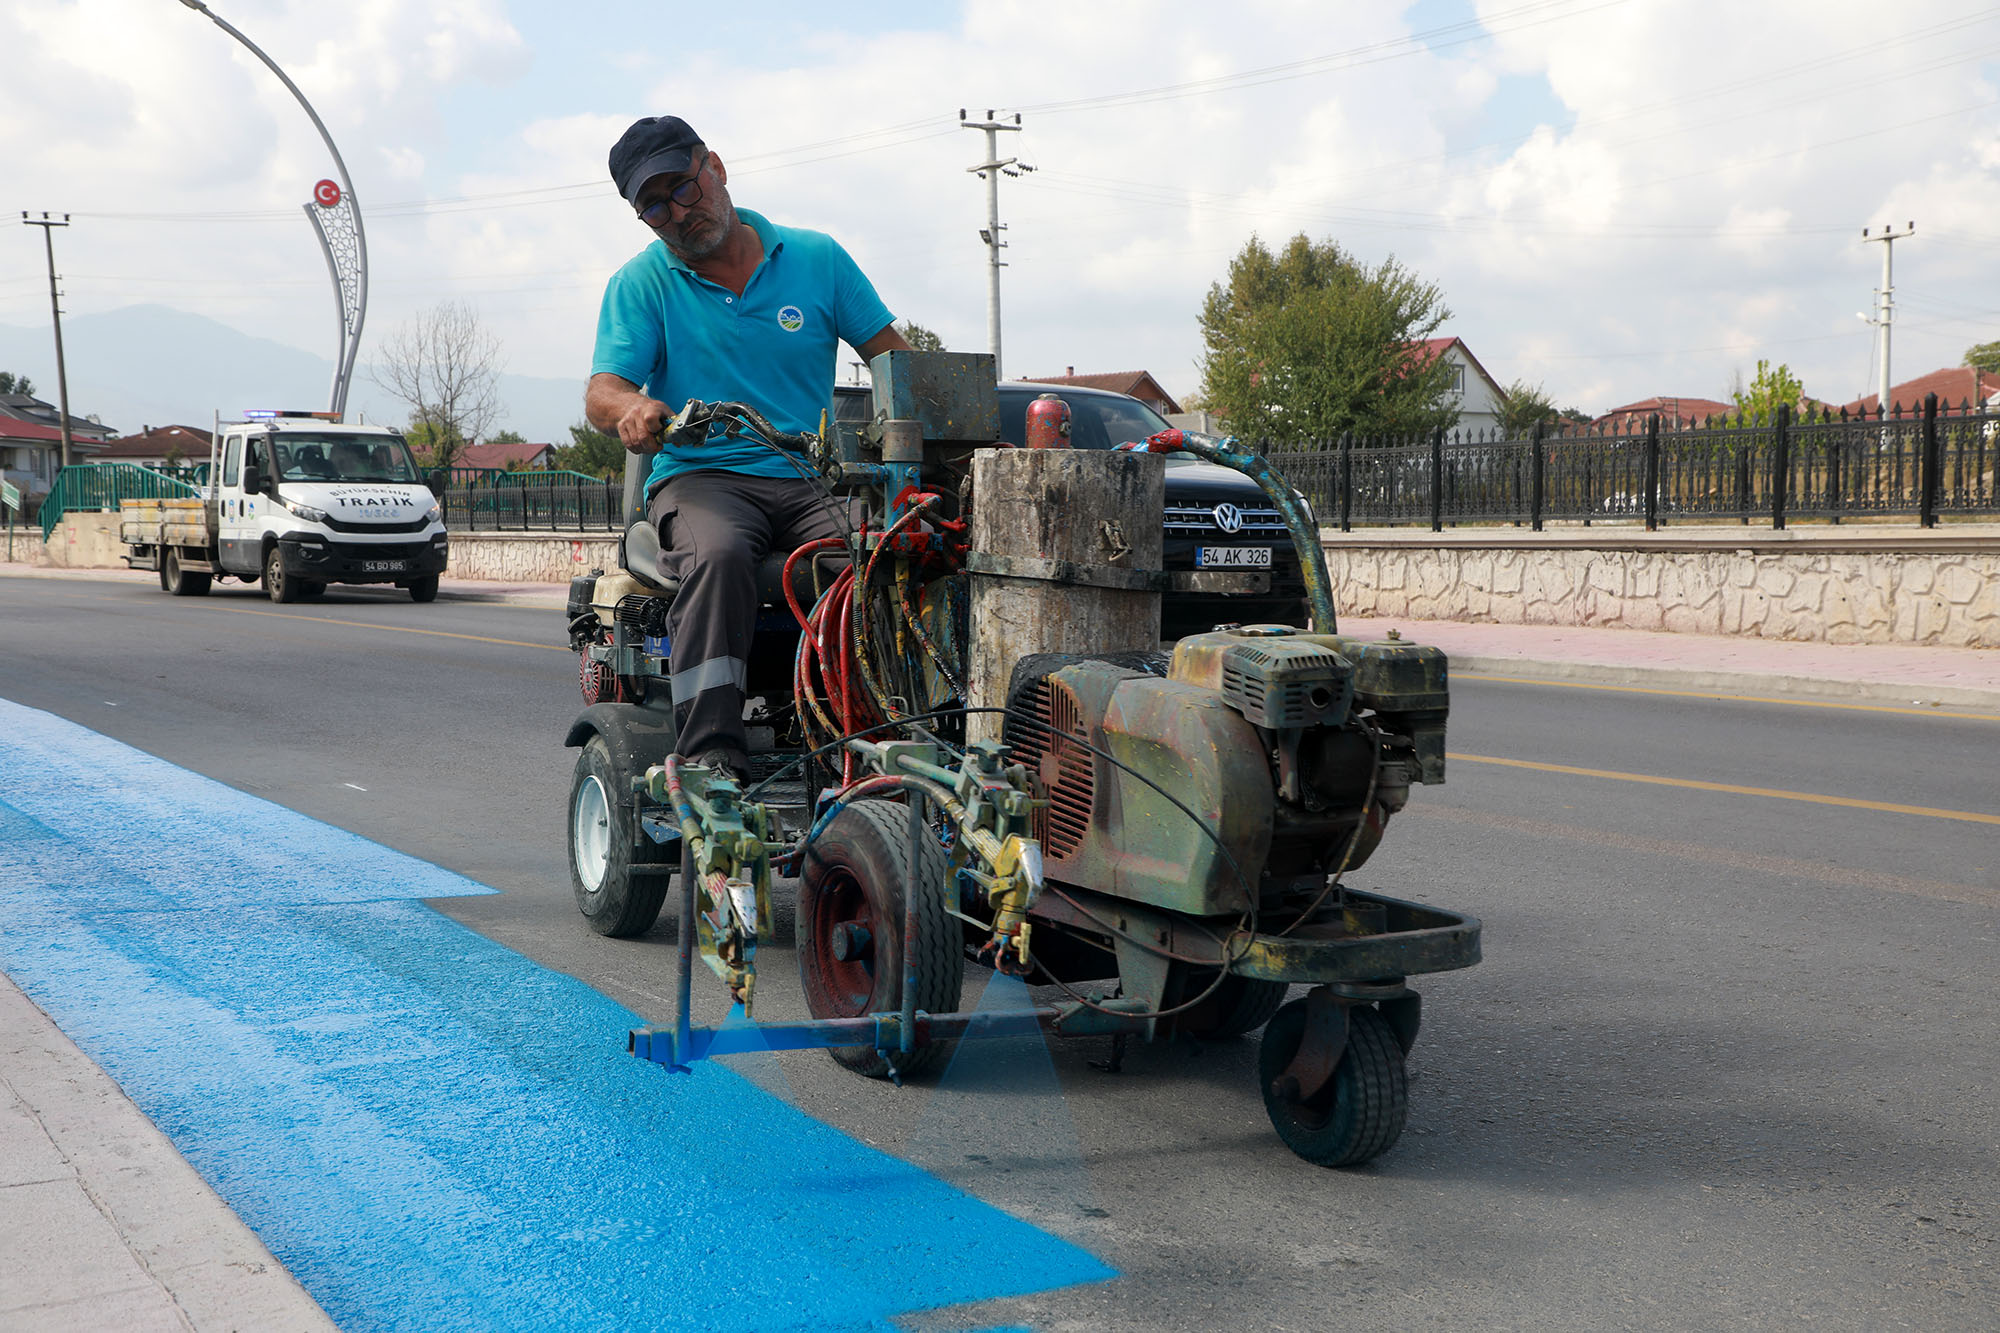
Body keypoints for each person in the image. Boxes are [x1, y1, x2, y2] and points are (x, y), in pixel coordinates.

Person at [584, 115, 910, 782]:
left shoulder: (817, 260)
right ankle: (711, 760)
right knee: (720, 553)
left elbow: (897, 368)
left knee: (880, 552)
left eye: (682, 187)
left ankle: (864, 742)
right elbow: (602, 392)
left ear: (716, 168)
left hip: (806, 478)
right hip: (702, 479)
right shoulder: (643, 284)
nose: (676, 211)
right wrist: (633, 407)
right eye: (653, 204)